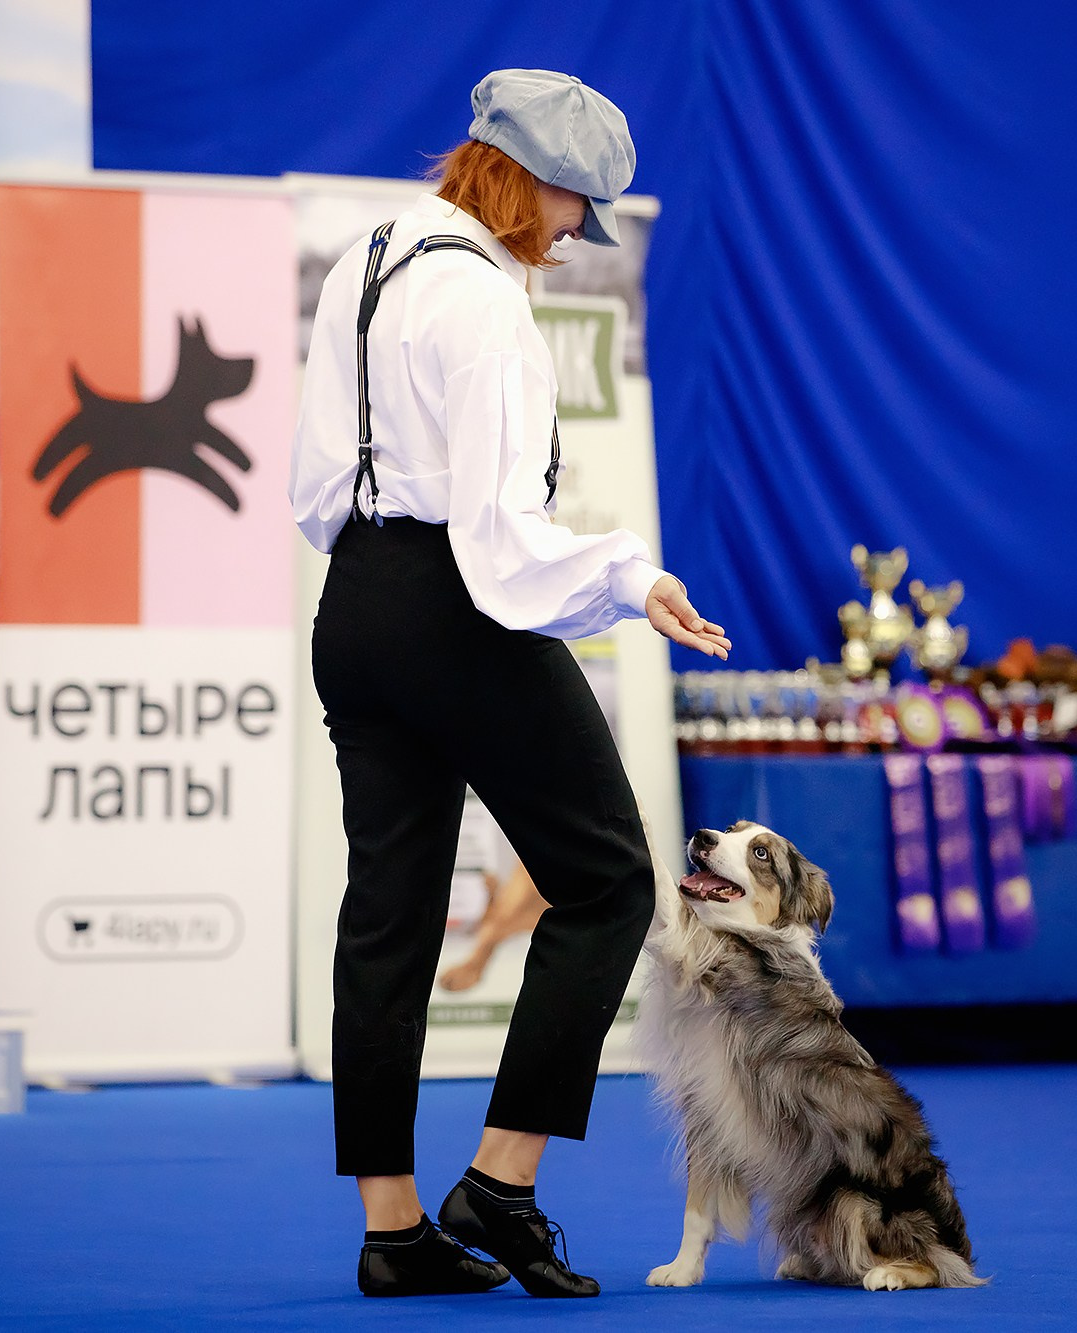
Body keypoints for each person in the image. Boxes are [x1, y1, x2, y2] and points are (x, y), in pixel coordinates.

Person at [290, 68, 731, 1299]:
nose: (575, 232)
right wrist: (631, 578)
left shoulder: (362, 259)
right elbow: (499, 541)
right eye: (575, 203)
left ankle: (391, 1231)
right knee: (607, 881)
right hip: (455, 610)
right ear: (521, 179)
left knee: (386, 915)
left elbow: (320, 481)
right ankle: (503, 1178)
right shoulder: (482, 306)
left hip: (355, 608)